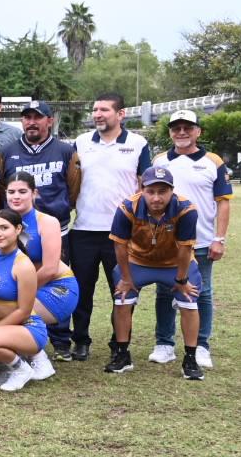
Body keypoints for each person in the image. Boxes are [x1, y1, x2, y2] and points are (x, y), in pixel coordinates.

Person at [68, 91, 150, 361]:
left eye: (104, 110)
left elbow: (146, 185)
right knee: (82, 290)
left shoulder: (138, 144)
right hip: (84, 230)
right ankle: (80, 340)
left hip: (123, 233)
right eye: (95, 110)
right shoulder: (81, 142)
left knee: (122, 289)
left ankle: (119, 341)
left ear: (120, 114)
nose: (97, 115)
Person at [107, 165, 205, 380]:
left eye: (163, 192)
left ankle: (190, 358)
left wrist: (181, 279)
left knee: (189, 299)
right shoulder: (127, 207)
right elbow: (120, 246)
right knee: (122, 299)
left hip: (174, 263)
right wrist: (125, 278)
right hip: (138, 261)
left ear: (172, 191)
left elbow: (185, 248)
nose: (157, 198)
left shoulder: (186, 209)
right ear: (142, 190)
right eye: (151, 191)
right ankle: (122, 354)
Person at [151, 109, 231, 369]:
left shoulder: (213, 161)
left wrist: (219, 238)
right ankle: (164, 344)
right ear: (170, 132)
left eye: (188, 127)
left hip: (202, 240)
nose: (182, 132)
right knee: (165, 291)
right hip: (165, 241)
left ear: (198, 131)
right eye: (176, 128)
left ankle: (201, 346)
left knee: (202, 292)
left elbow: (223, 203)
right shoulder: (160, 160)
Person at [0, 210, 51, 392]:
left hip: (28, 328)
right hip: (3, 327)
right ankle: (9, 364)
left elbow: (24, 312)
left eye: (4, 228)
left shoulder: (23, 265)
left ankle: (22, 369)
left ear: (18, 229)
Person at [0, 170, 77, 360]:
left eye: (22, 191)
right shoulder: (3, 221)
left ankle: (38, 360)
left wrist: (16, 292)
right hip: (26, 287)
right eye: (11, 192)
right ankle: (18, 361)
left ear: (34, 193)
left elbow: (50, 269)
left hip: (56, 288)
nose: (16, 196)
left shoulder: (47, 222)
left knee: (6, 309)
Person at [0, 100, 80, 227]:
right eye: (27, 118)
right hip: (18, 227)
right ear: (22, 121)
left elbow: (74, 188)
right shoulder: (6, 152)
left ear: (49, 121)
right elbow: (1, 188)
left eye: (38, 117)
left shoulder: (66, 151)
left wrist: (62, 207)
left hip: (57, 226)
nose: (31, 122)